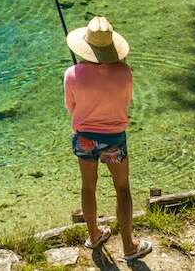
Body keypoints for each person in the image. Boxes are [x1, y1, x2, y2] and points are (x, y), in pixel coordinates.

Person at [64, 16, 153, 261]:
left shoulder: (71, 74)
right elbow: (125, 103)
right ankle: (129, 247)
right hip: (113, 139)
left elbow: (71, 107)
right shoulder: (125, 72)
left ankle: (94, 236)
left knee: (88, 186)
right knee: (122, 188)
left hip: (84, 138)